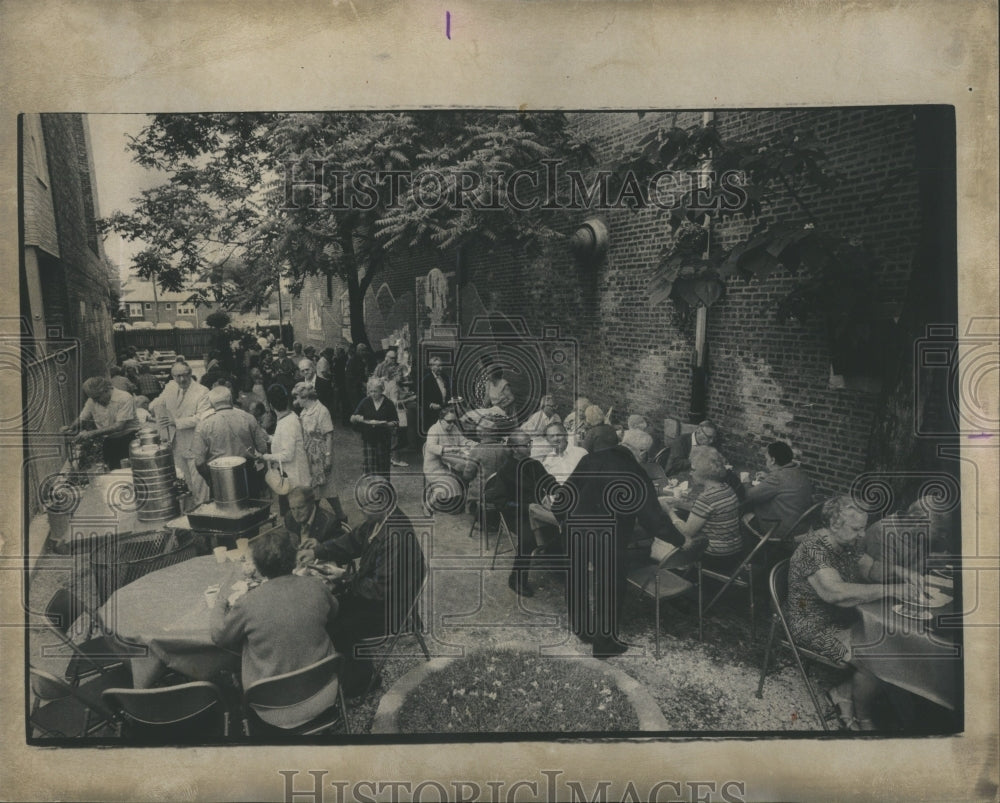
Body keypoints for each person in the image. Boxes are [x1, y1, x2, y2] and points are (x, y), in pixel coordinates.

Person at [788, 495, 925, 730]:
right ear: (833, 525)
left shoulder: (846, 544)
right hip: (811, 625)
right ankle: (862, 717)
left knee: (893, 645)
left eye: (863, 528)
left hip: (843, 619)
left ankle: (842, 692)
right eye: (856, 528)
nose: (863, 534)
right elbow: (836, 594)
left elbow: (871, 569)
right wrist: (892, 589)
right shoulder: (814, 549)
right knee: (877, 660)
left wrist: (902, 572)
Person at [562, 428, 700, 657]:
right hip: (609, 535)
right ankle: (604, 644)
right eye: (647, 454)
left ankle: (582, 628)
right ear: (642, 451)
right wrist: (679, 539)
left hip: (575, 528)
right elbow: (652, 519)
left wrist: (564, 521)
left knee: (577, 578)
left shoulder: (590, 458)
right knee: (610, 585)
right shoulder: (635, 471)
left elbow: (566, 494)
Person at [296, 488, 427, 696]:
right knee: (332, 608)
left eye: (365, 505)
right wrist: (317, 551)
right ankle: (343, 670)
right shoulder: (380, 520)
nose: (360, 509)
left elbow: (377, 589)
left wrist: (344, 577)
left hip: (392, 609)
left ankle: (361, 684)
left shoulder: (396, 536)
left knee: (336, 622)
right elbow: (352, 541)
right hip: (381, 595)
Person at [210, 528, 340, 729]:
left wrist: (220, 601)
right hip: (324, 693)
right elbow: (333, 613)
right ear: (294, 560)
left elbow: (219, 636)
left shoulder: (248, 603)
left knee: (242, 649)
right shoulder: (316, 586)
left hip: (272, 709)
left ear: (259, 569)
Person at [483, 430, 555, 598]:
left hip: (537, 511)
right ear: (514, 448)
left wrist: (557, 490)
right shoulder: (506, 471)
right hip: (515, 514)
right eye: (526, 444)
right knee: (529, 538)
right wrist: (526, 506)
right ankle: (516, 578)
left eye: (530, 443)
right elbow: (501, 502)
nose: (530, 447)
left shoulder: (534, 464)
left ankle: (556, 564)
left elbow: (548, 481)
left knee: (558, 527)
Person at [661, 446, 743, 574]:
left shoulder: (706, 498)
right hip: (734, 551)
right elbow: (709, 510)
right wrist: (679, 503)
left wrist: (669, 511)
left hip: (714, 556)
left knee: (666, 537)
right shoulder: (726, 488)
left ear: (704, 473)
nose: (690, 473)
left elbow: (687, 531)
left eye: (693, 469)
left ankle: (673, 574)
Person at [190, 385, 269, 499]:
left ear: (211, 404)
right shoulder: (248, 418)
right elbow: (262, 448)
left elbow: (199, 462)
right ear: (231, 399)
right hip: (248, 474)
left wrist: (210, 479)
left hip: (220, 478)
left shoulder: (203, 425)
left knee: (224, 513)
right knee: (252, 510)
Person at [149, 361, 211, 505]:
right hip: (175, 442)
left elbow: (202, 418)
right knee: (183, 480)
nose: (182, 380)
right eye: (178, 376)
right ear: (173, 377)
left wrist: (175, 422)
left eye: (185, 375)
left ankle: (204, 511)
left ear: (190, 374)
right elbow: (159, 401)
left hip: (195, 442)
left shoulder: (202, 391)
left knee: (199, 482)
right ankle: (190, 513)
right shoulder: (170, 386)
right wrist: (152, 407)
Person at [861, 495, 956, 576]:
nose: (943, 536)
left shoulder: (917, 534)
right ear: (920, 521)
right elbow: (882, 581)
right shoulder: (883, 534)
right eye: (940, 530)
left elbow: (909, 569)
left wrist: (932, 561)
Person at [252, 385, 310, 516]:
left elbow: (287, 455)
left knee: (292, 516)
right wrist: (269, 438)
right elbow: (285, 441)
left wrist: (264, 457)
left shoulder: (287, 423)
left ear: (271, 406)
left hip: (294, 479)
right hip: (293, 475)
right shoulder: (289, 417)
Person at [60, 376, 141, 470]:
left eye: (97, 398)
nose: (96, 401)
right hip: (110, 440)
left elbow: (119, 426)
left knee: (131, 469)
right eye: (93, 398)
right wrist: (71, 427)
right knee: (113, 471)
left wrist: (92, 433)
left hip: (129, 438)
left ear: (106, 390)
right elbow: (82, 418)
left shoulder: (124, 398)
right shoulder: (92, 400)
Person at [294, 382, 347, 523]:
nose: (296, 401)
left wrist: (328, 457)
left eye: (298, 398)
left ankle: (339, 516)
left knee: (327, 488)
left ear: (305, 398)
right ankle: (315, 518)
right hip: (310, 454)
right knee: (315, 489)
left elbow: (329, 435)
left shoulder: (321, 411)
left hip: (322, 454)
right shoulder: (304, 412)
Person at [741, 441, 816, 540]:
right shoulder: (799, 471)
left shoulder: (777, 477)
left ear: (772, 460)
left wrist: (746, 482)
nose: (766, 461)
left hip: (783, 530)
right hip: (801, 526)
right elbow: (786, 483)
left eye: (766, 459)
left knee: (743, 514)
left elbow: (749, 496)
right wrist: (768, 477)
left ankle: (754, 551)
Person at [422, 408, 475, 512]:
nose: (452, 424)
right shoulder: (434, 429)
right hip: (435, 468)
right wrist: (453, 449)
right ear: (441, 420)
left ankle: (465, 501)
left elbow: (463, 440)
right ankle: (428, 506)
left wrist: (474, 445)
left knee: (466, 474)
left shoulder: (453, 427)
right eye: (449, 421)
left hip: (450, 464)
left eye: (454, 421)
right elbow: (431, 447)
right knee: (450, 485)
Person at [350, 377, 399, 481]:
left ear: (382, 390)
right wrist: (358, 418)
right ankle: (372, 491)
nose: (372, 394)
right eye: (370, 391)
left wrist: (386, 424)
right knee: (370, 466)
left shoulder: (388, 403)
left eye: (375, 391)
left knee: (383, 465)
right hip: (368, 439)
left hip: (383, 439)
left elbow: (396, 421)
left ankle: (384, 490)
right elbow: (353, 417)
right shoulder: (365, 401)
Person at [419, 355, 453, 438]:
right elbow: (420, 398)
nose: (440, 368)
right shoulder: (426, 380)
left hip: (445, 411)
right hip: (431, 414)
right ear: (431, 367)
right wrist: (430, 405)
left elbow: (449, 392)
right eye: (438, 366)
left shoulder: (445, 377)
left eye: (441, 366)